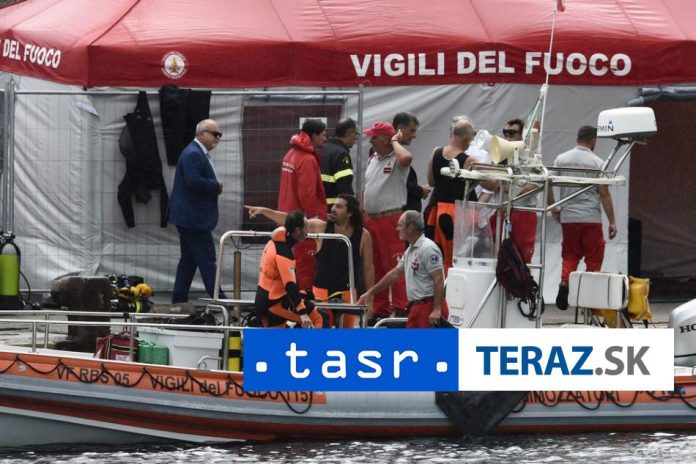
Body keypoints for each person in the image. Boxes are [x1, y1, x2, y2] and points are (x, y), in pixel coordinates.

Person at [247, 194, 375, 328]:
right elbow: (292, 221)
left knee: (345, 334)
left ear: (350, 213)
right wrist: (265, 211)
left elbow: (368, 269)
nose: (333, 209)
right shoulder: (321, 227)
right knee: (322, 325)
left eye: (339, 206)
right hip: (321, 291)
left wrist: (370, 299)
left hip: (347, 292)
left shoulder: (363, 235)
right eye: (333, 205)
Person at [550, 125, 617, 310]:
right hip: (591, 218)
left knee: (570, 255)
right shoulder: (598, 163)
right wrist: (612, 221)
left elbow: (548, 183)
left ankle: (565, 282)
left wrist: (554, 207)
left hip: (569, 217)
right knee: (594, 258)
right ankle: (589, 296)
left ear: (577, 138)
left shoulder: (561, 159)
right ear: (593, 140)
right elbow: (604, 194)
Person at [167, 119, 227, 303]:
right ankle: (220, 299)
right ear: (201, 134)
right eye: (215, 134)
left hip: (188, 217)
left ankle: (179, 299)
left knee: (189, 260)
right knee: (207, 259)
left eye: (219, 135)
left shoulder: (195, 152)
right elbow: (193, 181)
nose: (218, 138)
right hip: (193, 219)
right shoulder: (193, 153)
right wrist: (215, 186)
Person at [357, 211, 448, 328]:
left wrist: (437, 309)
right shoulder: (410, 250)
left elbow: (438, 279)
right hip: (416, 307)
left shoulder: (428, 249)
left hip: (429, 306)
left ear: (410, 228)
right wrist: (370, 292)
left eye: (400, 225)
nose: (397, 229)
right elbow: (394, 274)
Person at [361, 121, 412, 323]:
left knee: (394, 264)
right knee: (377, 266)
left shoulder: (397, 158)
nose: (371, 140)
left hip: (390, 218)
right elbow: (368, 187)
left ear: (385, 139)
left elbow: (407, 158)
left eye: (374, 137)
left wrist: (395, 142)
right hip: (372, 219)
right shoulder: (373, 158)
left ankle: (401, 308)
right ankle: (380, 309)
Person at [277, 118, 328, 293]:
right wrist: (315, 220)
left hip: (288, 216)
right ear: (314, 136)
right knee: (306, 267)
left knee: (292, 265)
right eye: (323, 135)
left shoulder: (290, 154)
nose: (325, 139)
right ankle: (305, 301)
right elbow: (307, 195)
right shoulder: (307, 159)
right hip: (302, 221)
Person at [254, 211, 326, 328]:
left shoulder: (276, 240)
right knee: (318, 317)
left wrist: (302, 293)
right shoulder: (284, 253)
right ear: (297, 231)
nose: (308, 232)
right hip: (273, 305)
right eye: (306, 228)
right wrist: (303, 314)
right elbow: (290, 286)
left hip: (267, 300)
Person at [425, 116, 478, 275]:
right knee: (458, 255)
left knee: (436, 251)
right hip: (458, 212)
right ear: (467, 137)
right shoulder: (469, 160)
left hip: (437, 209)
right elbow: (488, 184)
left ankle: (438, 282)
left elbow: (431, 181)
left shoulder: (436, 152)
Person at [483, 118, 540, 264]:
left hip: (523, 212)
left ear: (522, 135)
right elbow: (488, 183)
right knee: (493, 255)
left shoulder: (531, 158)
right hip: (501, 210)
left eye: (512, 133)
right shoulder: (498, 155)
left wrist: (502, 183)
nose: (507, 136)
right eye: (505, 133)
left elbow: (532, 187)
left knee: (521, 258)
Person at [393, 112, 432, 212]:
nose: (414, 136)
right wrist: (420, 190)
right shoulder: (390, 151)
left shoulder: (395, 151)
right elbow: (397, 182)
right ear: (399, 129)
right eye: (412, 131)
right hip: (399, 212)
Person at [320, 118, 358, 210]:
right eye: (355, 134)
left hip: (318, 205)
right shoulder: (342, 154)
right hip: (333, 208)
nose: (356, 138)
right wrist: (352, 208)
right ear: (348, 133)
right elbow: (344, 187)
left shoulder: (322, 148)